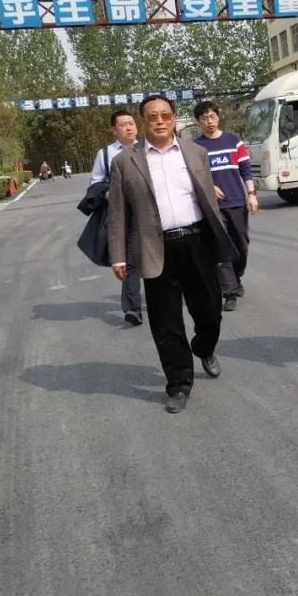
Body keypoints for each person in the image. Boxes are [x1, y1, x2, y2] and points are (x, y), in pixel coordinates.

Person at [108, 95, 237, 414]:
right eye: (153, 117)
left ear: (174, 118)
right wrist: (118, 255)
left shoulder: (196, 152)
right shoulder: (125, 161)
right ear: (143, 121)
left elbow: (208, 199)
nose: (160, 121)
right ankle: (178, 383)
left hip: (197, 242)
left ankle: (203, 346)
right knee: (166, 321)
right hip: (155, 247)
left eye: (165, 115)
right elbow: (118, 212)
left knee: (210, 310)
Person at [192, 101, 259, 312]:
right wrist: (209, 187)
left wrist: (251, 194)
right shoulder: (196, 147)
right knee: (221, 246)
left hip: (237, 202)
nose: (209, 121)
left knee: (241, 245)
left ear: (218, 117)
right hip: (212, 207)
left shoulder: (233, 141)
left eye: (212, 116)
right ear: (198, 121)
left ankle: (236, 277)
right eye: (204, 118)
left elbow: (245, 169)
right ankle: (229, 292)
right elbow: (193, 176)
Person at [91, 110, 143, 325]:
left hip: (150, 212)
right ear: (114, 130)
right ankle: (133, 309)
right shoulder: (106, 154)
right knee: (130, 260)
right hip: (123, 214)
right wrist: (109, 194)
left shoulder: (147, 148)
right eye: (123, 124)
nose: (129, 127)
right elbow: (95, 183)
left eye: (131, 123)